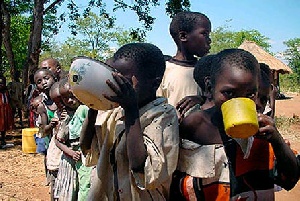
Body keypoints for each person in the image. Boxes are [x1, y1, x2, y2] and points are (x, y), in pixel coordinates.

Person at [173, 49, 299, 200]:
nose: (240, 101)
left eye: (250, 95)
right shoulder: (194, 126)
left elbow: (290, 180)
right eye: (230, 94)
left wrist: (276, 140)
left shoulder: (263, 132)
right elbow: (177, 185)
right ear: (209, 88)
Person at [81, 43, 180, 200]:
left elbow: (141, 167)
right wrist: (93, 106)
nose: (117, 88)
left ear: (155, 83)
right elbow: (87, 148)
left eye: (124, 83)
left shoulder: (163, 115)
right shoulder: (113, 113)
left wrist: (131, 110)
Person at [156, 11, 211, 119]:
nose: (209, 40)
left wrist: (202, 99)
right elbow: (156, 106)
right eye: (204, 34)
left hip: (201, 134)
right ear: (183, 36)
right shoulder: (164, 70)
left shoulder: (209, 70)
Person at [53, 78, 92, 200]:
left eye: (72, 96)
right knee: (76, 187)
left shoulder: (85, 110)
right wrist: (70, 152)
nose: (69, 100)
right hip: (73, 158)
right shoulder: (65, 115)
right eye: (65, 98)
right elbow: (57, 139)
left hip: (86, 156)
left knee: (85, 186)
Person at [0, 75, 14, 148]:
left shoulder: (6, 92)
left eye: (2, 83)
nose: (1, 85)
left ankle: (3, 139)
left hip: (5, 110)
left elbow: (9, 100)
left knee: (4, 126)